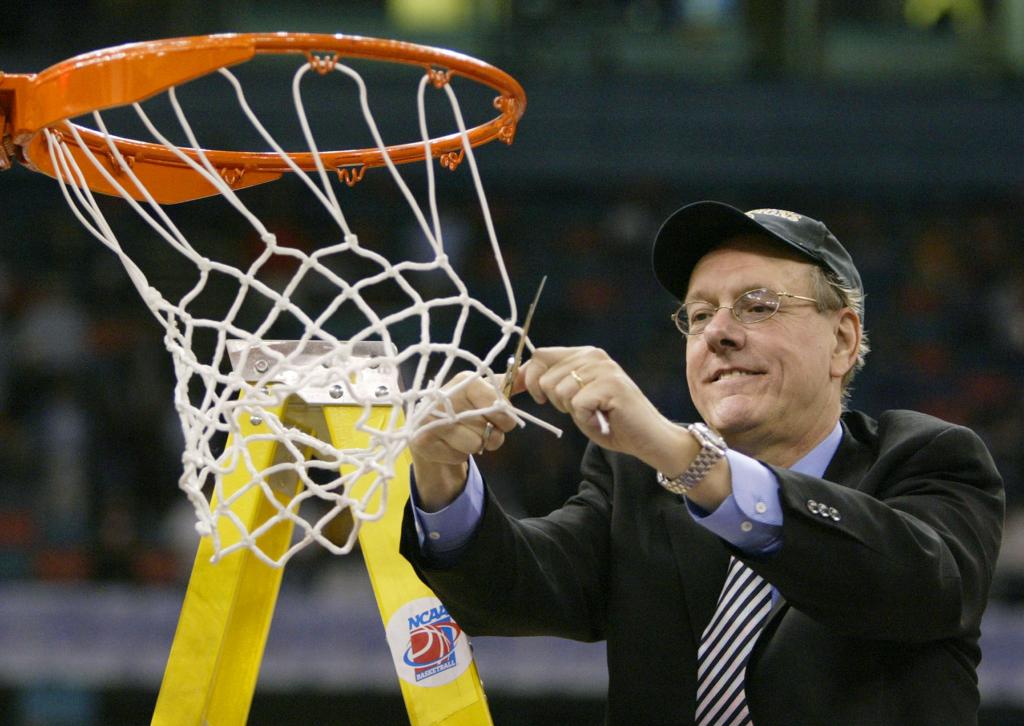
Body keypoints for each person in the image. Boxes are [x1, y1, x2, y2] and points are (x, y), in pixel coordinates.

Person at [399, 201, 1005, 725]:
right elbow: (510, 591)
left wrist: (684, 457)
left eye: (758, 305)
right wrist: (440, 476)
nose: (717, 333)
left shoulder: (929, 459)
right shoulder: (632, 478)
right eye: (697, 314)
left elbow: (914, 584)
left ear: (843, 340)